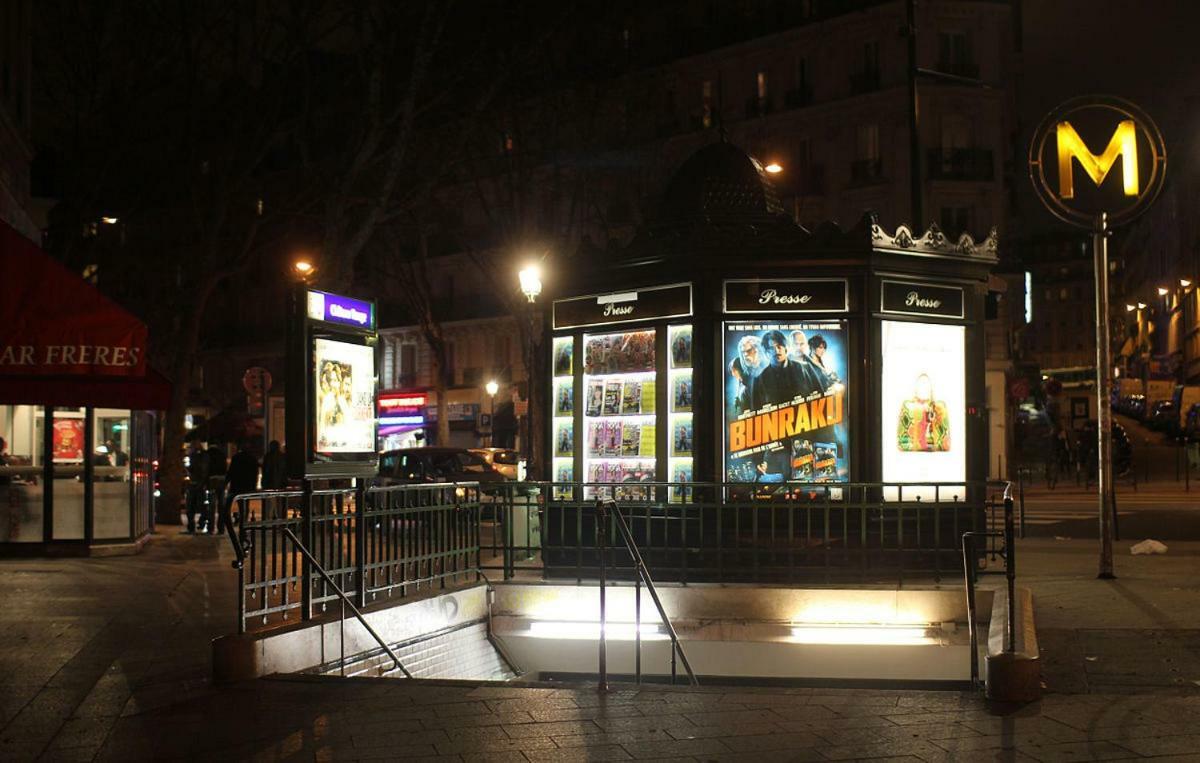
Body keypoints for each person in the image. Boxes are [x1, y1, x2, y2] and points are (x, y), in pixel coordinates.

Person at [753, 330, 812, 409]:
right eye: (771, 348)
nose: (776, 351)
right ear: (766, 353)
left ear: (785, 347)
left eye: (779, 346)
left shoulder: (804, 369)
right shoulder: (759, 381)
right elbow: (755, 414)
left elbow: (820, 396)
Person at [222, 442, 260, 538]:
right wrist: (253, 486)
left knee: (234, 504)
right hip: (247, 486)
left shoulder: (236, 458)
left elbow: (231, 472)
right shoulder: (252, 459)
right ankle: (243, 523)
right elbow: (255, 474)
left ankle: (235, 519)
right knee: (245, 506)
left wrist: (226, 483)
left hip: (237, 485)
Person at [185, 443, 209, 534]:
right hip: (199, 483)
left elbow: (193, 469)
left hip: (195, 483)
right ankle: (200, 523)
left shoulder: (195, 456)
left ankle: (192, 526)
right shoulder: (204, 456)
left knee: (191, 506)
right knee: (201, 505)